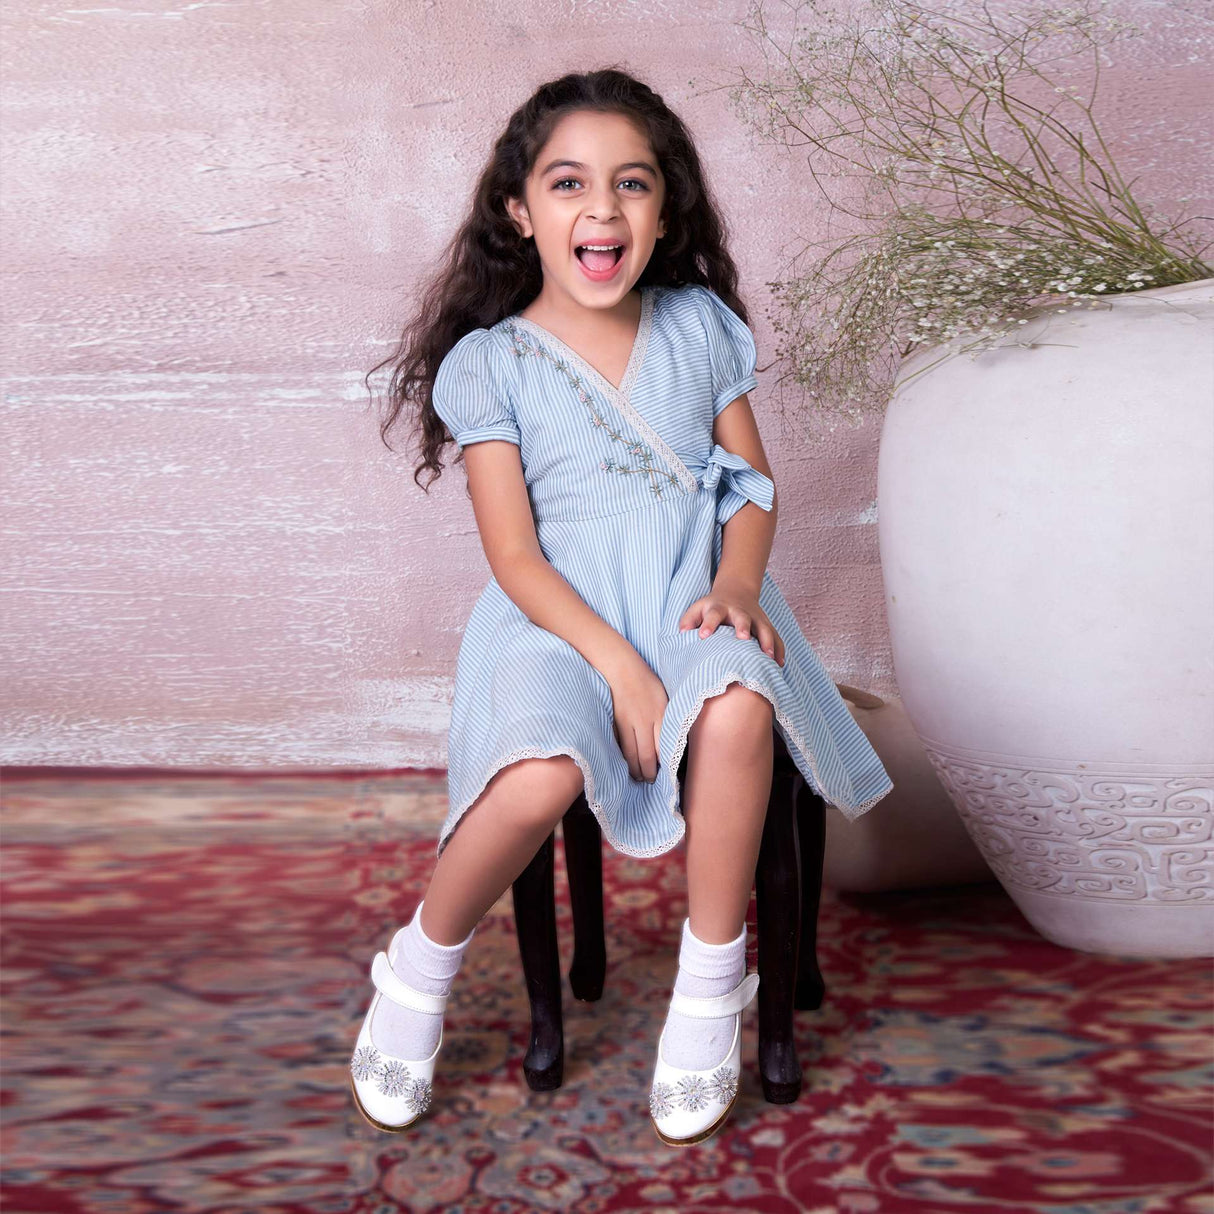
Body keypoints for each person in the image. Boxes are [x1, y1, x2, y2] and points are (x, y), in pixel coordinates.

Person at [353, 68, 894, 1144]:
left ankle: (710, 988)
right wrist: (620, 669)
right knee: (539, 773)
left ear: (664, 212)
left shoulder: (698, 327)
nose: (601, 208)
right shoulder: (490, 364)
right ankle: (416, 970)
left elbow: (751, 488)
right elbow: (514, 556)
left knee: (737, 702)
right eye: (568, 183)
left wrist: (735, 585)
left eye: (631, 184)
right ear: (519, 211)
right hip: (555, 621)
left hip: (692, 594)